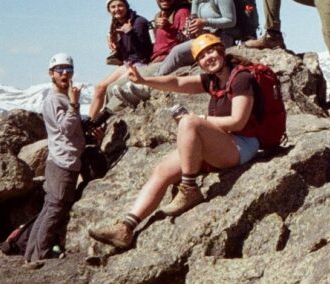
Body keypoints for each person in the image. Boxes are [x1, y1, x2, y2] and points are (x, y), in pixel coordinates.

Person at [88, 34, 275, 250]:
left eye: (211, 51)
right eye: (202, 56)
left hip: (244, 144)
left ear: (221, 50)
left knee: (189, 123)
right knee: (162, 170)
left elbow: (238, 121)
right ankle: (126, 227)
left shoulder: (242, 79)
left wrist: (198, 119)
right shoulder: (213, 80)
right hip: (225, 141)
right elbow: (177, 82)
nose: (208, 58)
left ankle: (189, 189)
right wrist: (144, 81)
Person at [24, 54, 86, 262]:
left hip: (63, 159)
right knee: (56, 207)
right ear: (51, 73)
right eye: (60, 69)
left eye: (69, 69)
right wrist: (75, 105)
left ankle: (31, 255)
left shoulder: (63, 98)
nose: (65, 73)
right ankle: (40, 255)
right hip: (63, 161)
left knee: (50, 207)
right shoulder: (54, 100)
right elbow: (65, 129)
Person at [104, 0, 191, 114]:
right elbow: (153, 44)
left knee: (119, 87)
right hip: (153, 60)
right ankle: (108, 121)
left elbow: (187, 39)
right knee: (111, 88)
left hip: (165, 60)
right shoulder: (159, 16)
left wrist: (169, 27)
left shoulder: (181, 12)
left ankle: (105, 117)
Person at [155, 0, 238, 75]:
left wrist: (205, 22)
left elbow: (231, 21)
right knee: (178, 51)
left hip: (222, 38)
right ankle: (154, 79)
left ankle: (152, 82)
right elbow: (193, 19)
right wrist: (191, 28)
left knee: (178, 52)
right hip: (205, 37)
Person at [88, 0, 152, 122]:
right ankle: (89, 122)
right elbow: (125, 52)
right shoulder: (115, 26)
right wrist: (115, 47)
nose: (117, 9)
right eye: (113, 7)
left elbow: (144, 52)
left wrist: (130, 33)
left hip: (140, 63)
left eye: (120, 5)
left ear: (127, 6)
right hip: (127, 63)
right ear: (109, 10)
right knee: (100, 87)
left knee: (112, 88)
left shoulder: (139, 22)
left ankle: (101, 120)